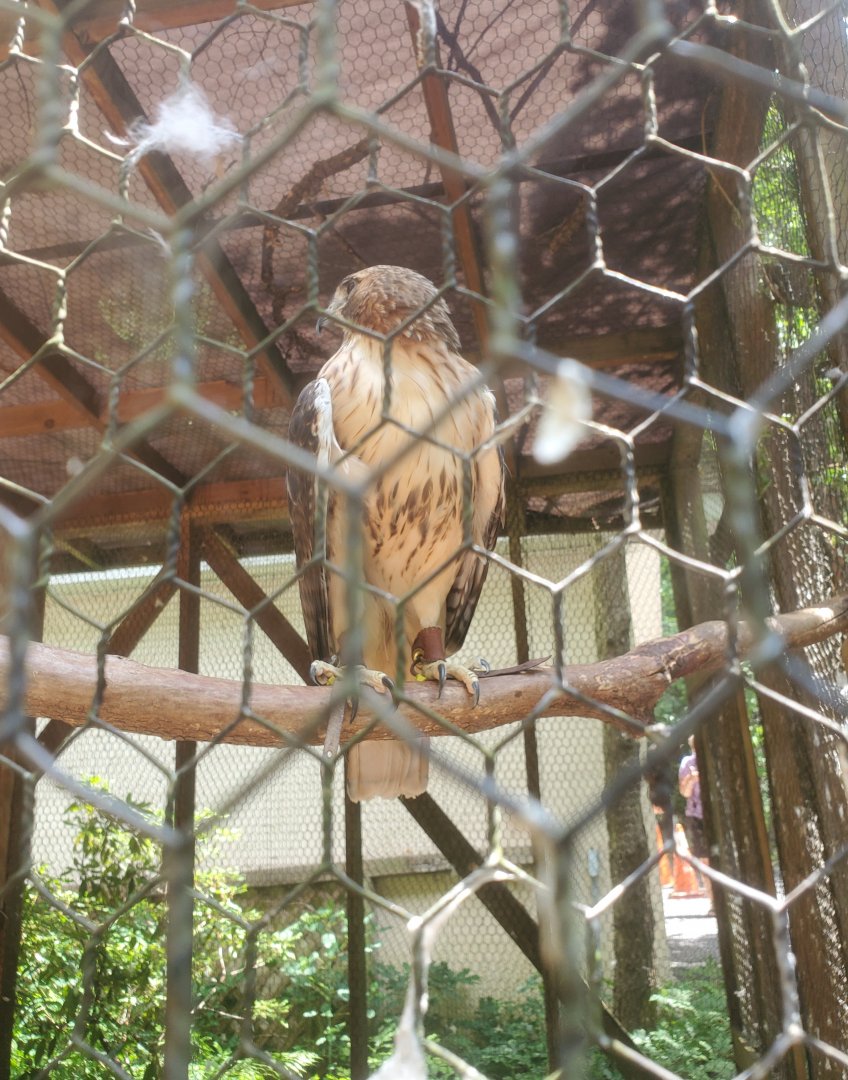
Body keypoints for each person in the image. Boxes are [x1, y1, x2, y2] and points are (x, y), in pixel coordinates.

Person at [678, 735, 711, 899]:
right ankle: (713, 901)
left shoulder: (714, 757)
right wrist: (692, 778)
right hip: (697, 815)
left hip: (715, 814)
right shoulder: (687, 763)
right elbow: (684, 793)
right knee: (705, 859)